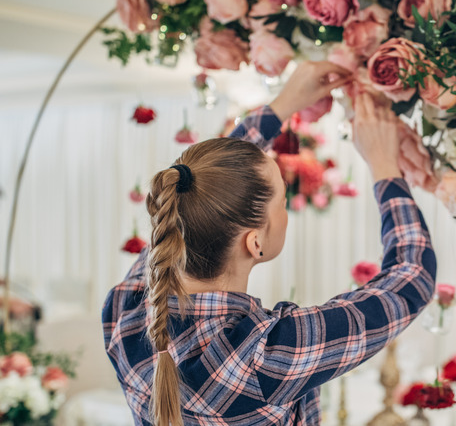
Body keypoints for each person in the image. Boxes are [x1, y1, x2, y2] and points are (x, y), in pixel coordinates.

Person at [102, 61, 437, 426]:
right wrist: (385, 165)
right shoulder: (266, 358)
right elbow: (412, 277)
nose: (285, 209)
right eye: (281, 201)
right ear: (255, 242)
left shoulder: (126, 311)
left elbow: (200, 187)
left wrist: (282, 105)